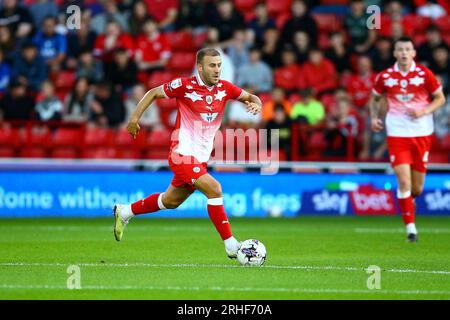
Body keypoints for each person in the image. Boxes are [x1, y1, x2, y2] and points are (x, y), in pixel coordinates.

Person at [113, 48, 262, 259]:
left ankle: (125, 211)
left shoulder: (225, 88)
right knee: (214, 189)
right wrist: (134, 118)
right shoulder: (185, 86)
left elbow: (252, 97)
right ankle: (231, 245)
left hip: (200, 160)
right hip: (181, 153)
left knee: (171, 201)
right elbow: (153, 92)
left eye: (219, 65)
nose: (217, 70)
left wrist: (257, 105)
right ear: (200, 67)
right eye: (212, 65)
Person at [370, 36, 446, 242]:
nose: (403, 52)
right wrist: (374, 117)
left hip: (421, 133)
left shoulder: (424, 74)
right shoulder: (385, 76)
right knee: (403, 181)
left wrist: (425, 110)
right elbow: (375, 98)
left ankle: (407, 203)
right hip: (397, 134)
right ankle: (411, 229)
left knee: (417, 188)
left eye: (407, 49)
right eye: (400, 49)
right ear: (394, 53)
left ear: (413, 53)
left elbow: (440, 98)